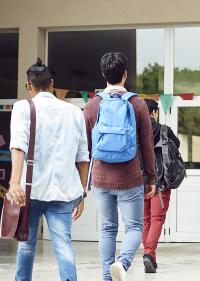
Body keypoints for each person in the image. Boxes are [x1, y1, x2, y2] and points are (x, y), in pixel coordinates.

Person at [7, 59, 89, 281]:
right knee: (64, 247)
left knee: (26, 246)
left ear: (28, 86)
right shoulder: (74, 112)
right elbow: (83, 159)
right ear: (52, 84)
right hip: (64, 192)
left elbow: (18, 146)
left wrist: (14, 183)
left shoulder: (23, 107)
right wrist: (82, 193)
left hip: (30, 192)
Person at [83, 52, 156, 281]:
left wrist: (83, 181)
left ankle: (107, 276)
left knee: (107, 228)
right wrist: (151, 178)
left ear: (103, 74)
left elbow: (85, 146)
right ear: (125, 74)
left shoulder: (93, 105)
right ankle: (122, 263)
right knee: (134, 227)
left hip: (101, 178)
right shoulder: (138, 104)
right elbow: (147, 146)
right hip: (130, 178)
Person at [141, 99, 180, 273]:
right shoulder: (164, 130)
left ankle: (149, 255)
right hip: (161, 180)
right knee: (157, 218)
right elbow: (176, 145)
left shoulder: (135, 129)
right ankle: (149, 253)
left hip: (140, 181)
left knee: (145, 219)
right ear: (155, 112)